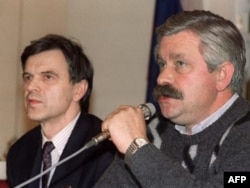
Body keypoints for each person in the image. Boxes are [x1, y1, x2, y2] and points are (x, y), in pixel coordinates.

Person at [94, 10, 250, 188]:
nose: (161, 78)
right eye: (162, 64)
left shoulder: (245, 135)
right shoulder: (154, 130)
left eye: (180, 64)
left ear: (222, 76)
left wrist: (138, 149)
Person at [7, 34, 115, 188]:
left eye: (48, 77)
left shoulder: (105, 150)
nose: (30, 87)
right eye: (28, 77)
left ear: (78, 90)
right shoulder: (19, 153)